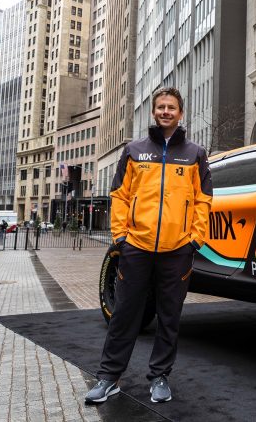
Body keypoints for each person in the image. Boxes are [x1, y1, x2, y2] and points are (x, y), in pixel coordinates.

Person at [85, 87, 213, 404]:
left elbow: (204, 200)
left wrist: (194, 239)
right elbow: (119, 196)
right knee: (124, 314)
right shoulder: (134, 150)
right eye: (160, 107)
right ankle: (108, 377)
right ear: (154, 112)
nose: (165, 111)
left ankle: (159, 377)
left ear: (180, 113)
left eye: (171, 107)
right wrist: (121, 237)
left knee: (169, 317)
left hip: (177, 250)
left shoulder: (195, 153)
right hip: (136, 248)